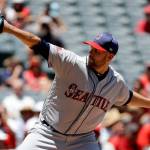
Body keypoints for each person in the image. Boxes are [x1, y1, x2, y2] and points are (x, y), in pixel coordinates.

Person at [0, 15, 150, 150]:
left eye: (97, 51)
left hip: (83, 140)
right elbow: (37, 43)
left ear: (109, 56)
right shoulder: (71, 63)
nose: (91, 53)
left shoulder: (115, 82)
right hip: (47, 134)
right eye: (91, 48)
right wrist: (8, 28)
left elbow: (129, 97)